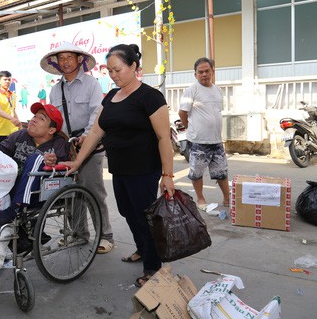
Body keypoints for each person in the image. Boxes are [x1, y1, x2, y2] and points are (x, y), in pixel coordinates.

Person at [59, 44, 175, 287]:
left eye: (118, 69)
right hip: (120, 168)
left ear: (134, 67)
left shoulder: (150, 97)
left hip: (144, 169)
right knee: (127, 212)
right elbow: (96, 130)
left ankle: (153, 267)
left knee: (145, 217)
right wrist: (78, 161)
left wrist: (168, 174)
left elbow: (164, 138)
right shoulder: (112, 96)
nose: (114, 75)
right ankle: (143, 249)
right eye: (110, 71)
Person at [40, 41, 115, 254]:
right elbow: (55, 119)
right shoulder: (55, 89)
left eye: (69, 57)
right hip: (65, 146)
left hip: (90, 144)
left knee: (93, 190)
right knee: (68, 192)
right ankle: (78, 234)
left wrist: (87, 135)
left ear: (79, 60)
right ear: (56, 63)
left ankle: (105, 236)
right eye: (61, 58)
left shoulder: (92, 84)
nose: (65, 62)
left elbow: (96, 113)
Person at [0, 102, 68, 227]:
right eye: (34, 116)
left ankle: (13, 210)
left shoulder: (58, 144)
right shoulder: (22, 134)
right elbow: (1, 148)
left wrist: (53, 161)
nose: (34, 120)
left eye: (41, 118)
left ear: (51, 130)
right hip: (11, 185)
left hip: (38, 193)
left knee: (37, 159)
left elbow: (64, 165)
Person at [178, 57, 229, 210]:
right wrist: (190, 128)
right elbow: (182, 113)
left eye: (207, 71)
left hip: (216, 140)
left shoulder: (218, 90)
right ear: (195, 74)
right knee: (197, 172)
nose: (204, 74)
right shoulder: (192, 90)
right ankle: (200, 198)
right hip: (199, 141)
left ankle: (227, 198)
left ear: (212, 72)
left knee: (221, 171)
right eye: (200, 72)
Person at [0, 71, 21, 144]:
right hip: (0, 133)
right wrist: (12, 118)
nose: (7, 81)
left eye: (9, 80)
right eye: (5, 79)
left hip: (14, 132)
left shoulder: (13, 95)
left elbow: (13, 111)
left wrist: (20, 127)